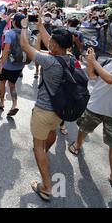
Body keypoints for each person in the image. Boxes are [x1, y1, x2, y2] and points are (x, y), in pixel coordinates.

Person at [69, 42, 112, 195]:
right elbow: (92, 76)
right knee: (83, 128)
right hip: (95, 106)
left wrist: (93, 61)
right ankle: (78, 144)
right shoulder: (110, 62)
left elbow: (111, 80)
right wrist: (91, 61)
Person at [20, 15, 74, 202]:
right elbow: (49, 39)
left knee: (37, 147)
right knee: (52, 133)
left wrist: (23, 28)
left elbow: (26, 47)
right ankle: (45, 153)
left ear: (56, 46)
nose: (49, 42)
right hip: (59, 111)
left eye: (51, 42)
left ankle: (46, 186)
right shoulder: (70, 58)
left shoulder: (49, 61)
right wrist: (41, 24)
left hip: (43, 111)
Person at [0, 14, 29, 117]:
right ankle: (14, 104)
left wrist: (1, 65)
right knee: (12, 85)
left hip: (8, 65)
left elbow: (6, 51)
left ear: (14, 22)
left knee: (2, 82)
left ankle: (1, 102)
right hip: (20, 65)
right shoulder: (28, 33)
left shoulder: (10, 33)